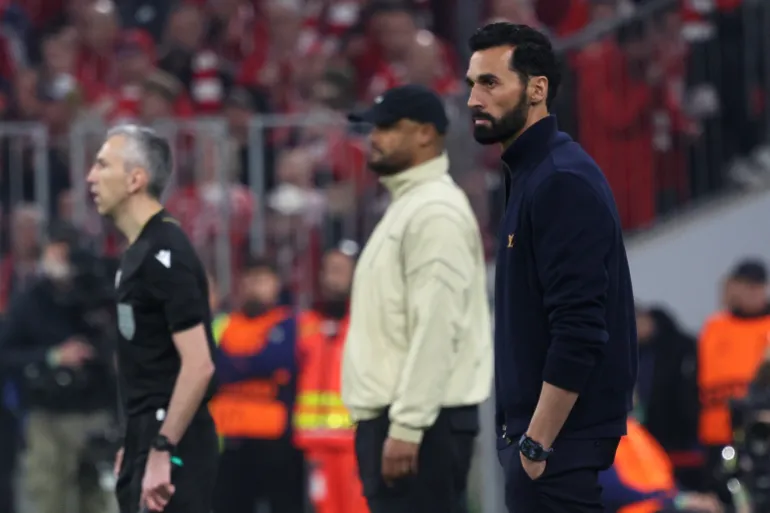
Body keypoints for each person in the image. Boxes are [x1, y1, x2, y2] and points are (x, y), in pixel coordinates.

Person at [466, 22, 637, 513]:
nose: (474, 99)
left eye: (491, 83)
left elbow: (580, 328)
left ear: (537, 88)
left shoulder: (559, 180)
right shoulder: (533, 174)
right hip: (547, 445)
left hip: (556, 446)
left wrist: (536, 446)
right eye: (472, 84)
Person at [342, 84, 493, 513]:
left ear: (427, 134)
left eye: (389, 127)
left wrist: (407, 426)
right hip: (410, 419)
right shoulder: (411, 206)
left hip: (420, 424)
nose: (375, 136)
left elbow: (438, 326)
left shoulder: (434, 212)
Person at [86, 125, 218, 513]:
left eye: (102, 165)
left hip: (173, 439)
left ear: (135, 179)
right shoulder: (139, 251)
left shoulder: (165, 251)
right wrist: (137, 440)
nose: (91, 176)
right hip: (148, 432)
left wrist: (163, 448)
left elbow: (199, 365)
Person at [0, 222, 116, 513]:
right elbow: (7, 354)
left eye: (65, 253)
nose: (58, 260)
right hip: (47, 416)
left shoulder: (98, 294)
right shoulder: (31, 299)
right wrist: (53, 356)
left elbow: (120, 341)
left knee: (98, 501)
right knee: (48, 500)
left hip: (96, 412)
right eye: (53, 251)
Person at [210, 256, 306, 513]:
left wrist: (237, 364)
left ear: (276, 285)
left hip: (275, 439)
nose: (255, 286)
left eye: (263, 280)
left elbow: (277, 361)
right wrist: (252, 364)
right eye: (250, 279)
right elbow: (213, 367)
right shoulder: (225, 324)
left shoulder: (290, 323)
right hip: (229, 438)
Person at [295, 245, 369, 513]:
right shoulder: (307, 323)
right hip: (315, 446)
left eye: (339, 271)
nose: (331, 278)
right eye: (327, 271)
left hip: (355, 444)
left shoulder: (366, 323)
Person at [698, 259, 770, 492]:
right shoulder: (715, 326)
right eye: (744, 285)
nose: (750, 292)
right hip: (718, 432)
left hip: (760, 433)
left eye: (755, 286)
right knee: (724, 493)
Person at [600, 417, 723, 513]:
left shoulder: (634, 430)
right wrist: (676, 500)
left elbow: (664, 479)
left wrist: (689, 497)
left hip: (661, 504)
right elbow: (611, 492)